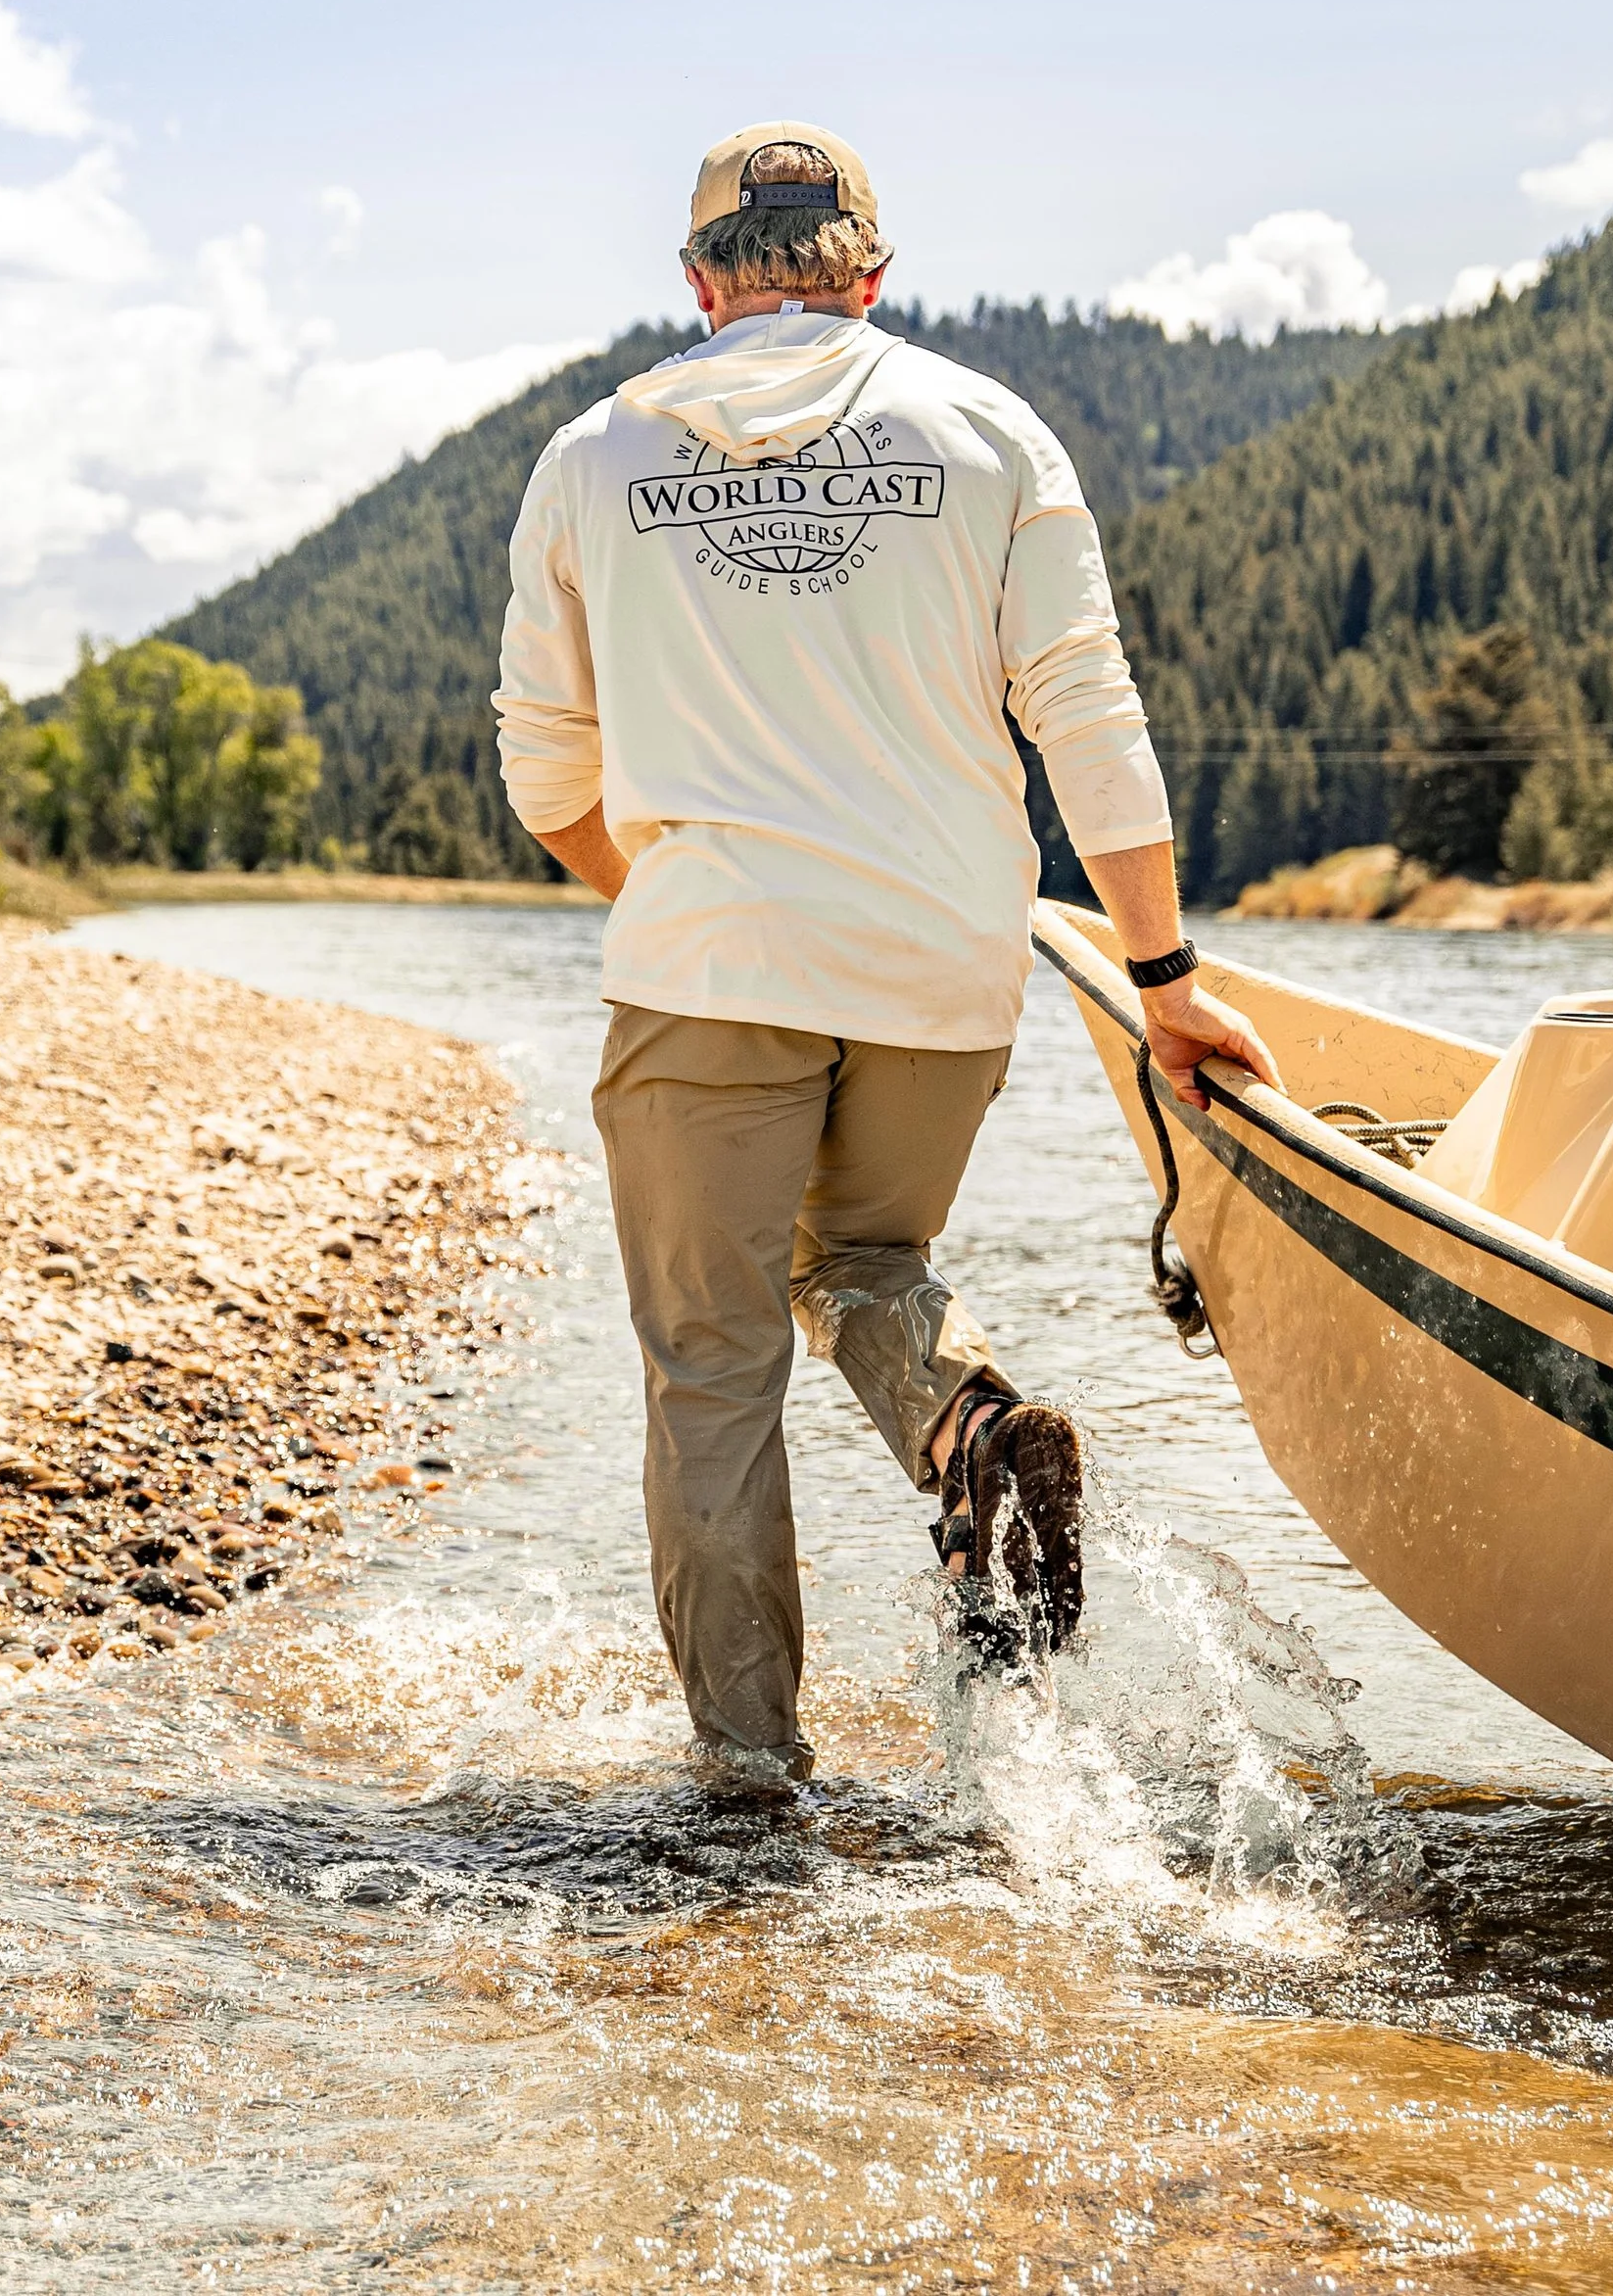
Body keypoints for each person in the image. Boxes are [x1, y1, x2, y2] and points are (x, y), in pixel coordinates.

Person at [494, 120, 1279, 1792]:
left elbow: (542, 766)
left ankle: (749, 1780)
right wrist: (1167, 985)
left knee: (713, 1372)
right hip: (941, 968)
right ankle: (969, 1425)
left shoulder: (591, 456)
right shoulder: (992, 431)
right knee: (860, 1261)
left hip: (708, 970)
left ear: (702, 280)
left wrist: (668, 895)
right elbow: (1090, 713)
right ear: (870, 271)